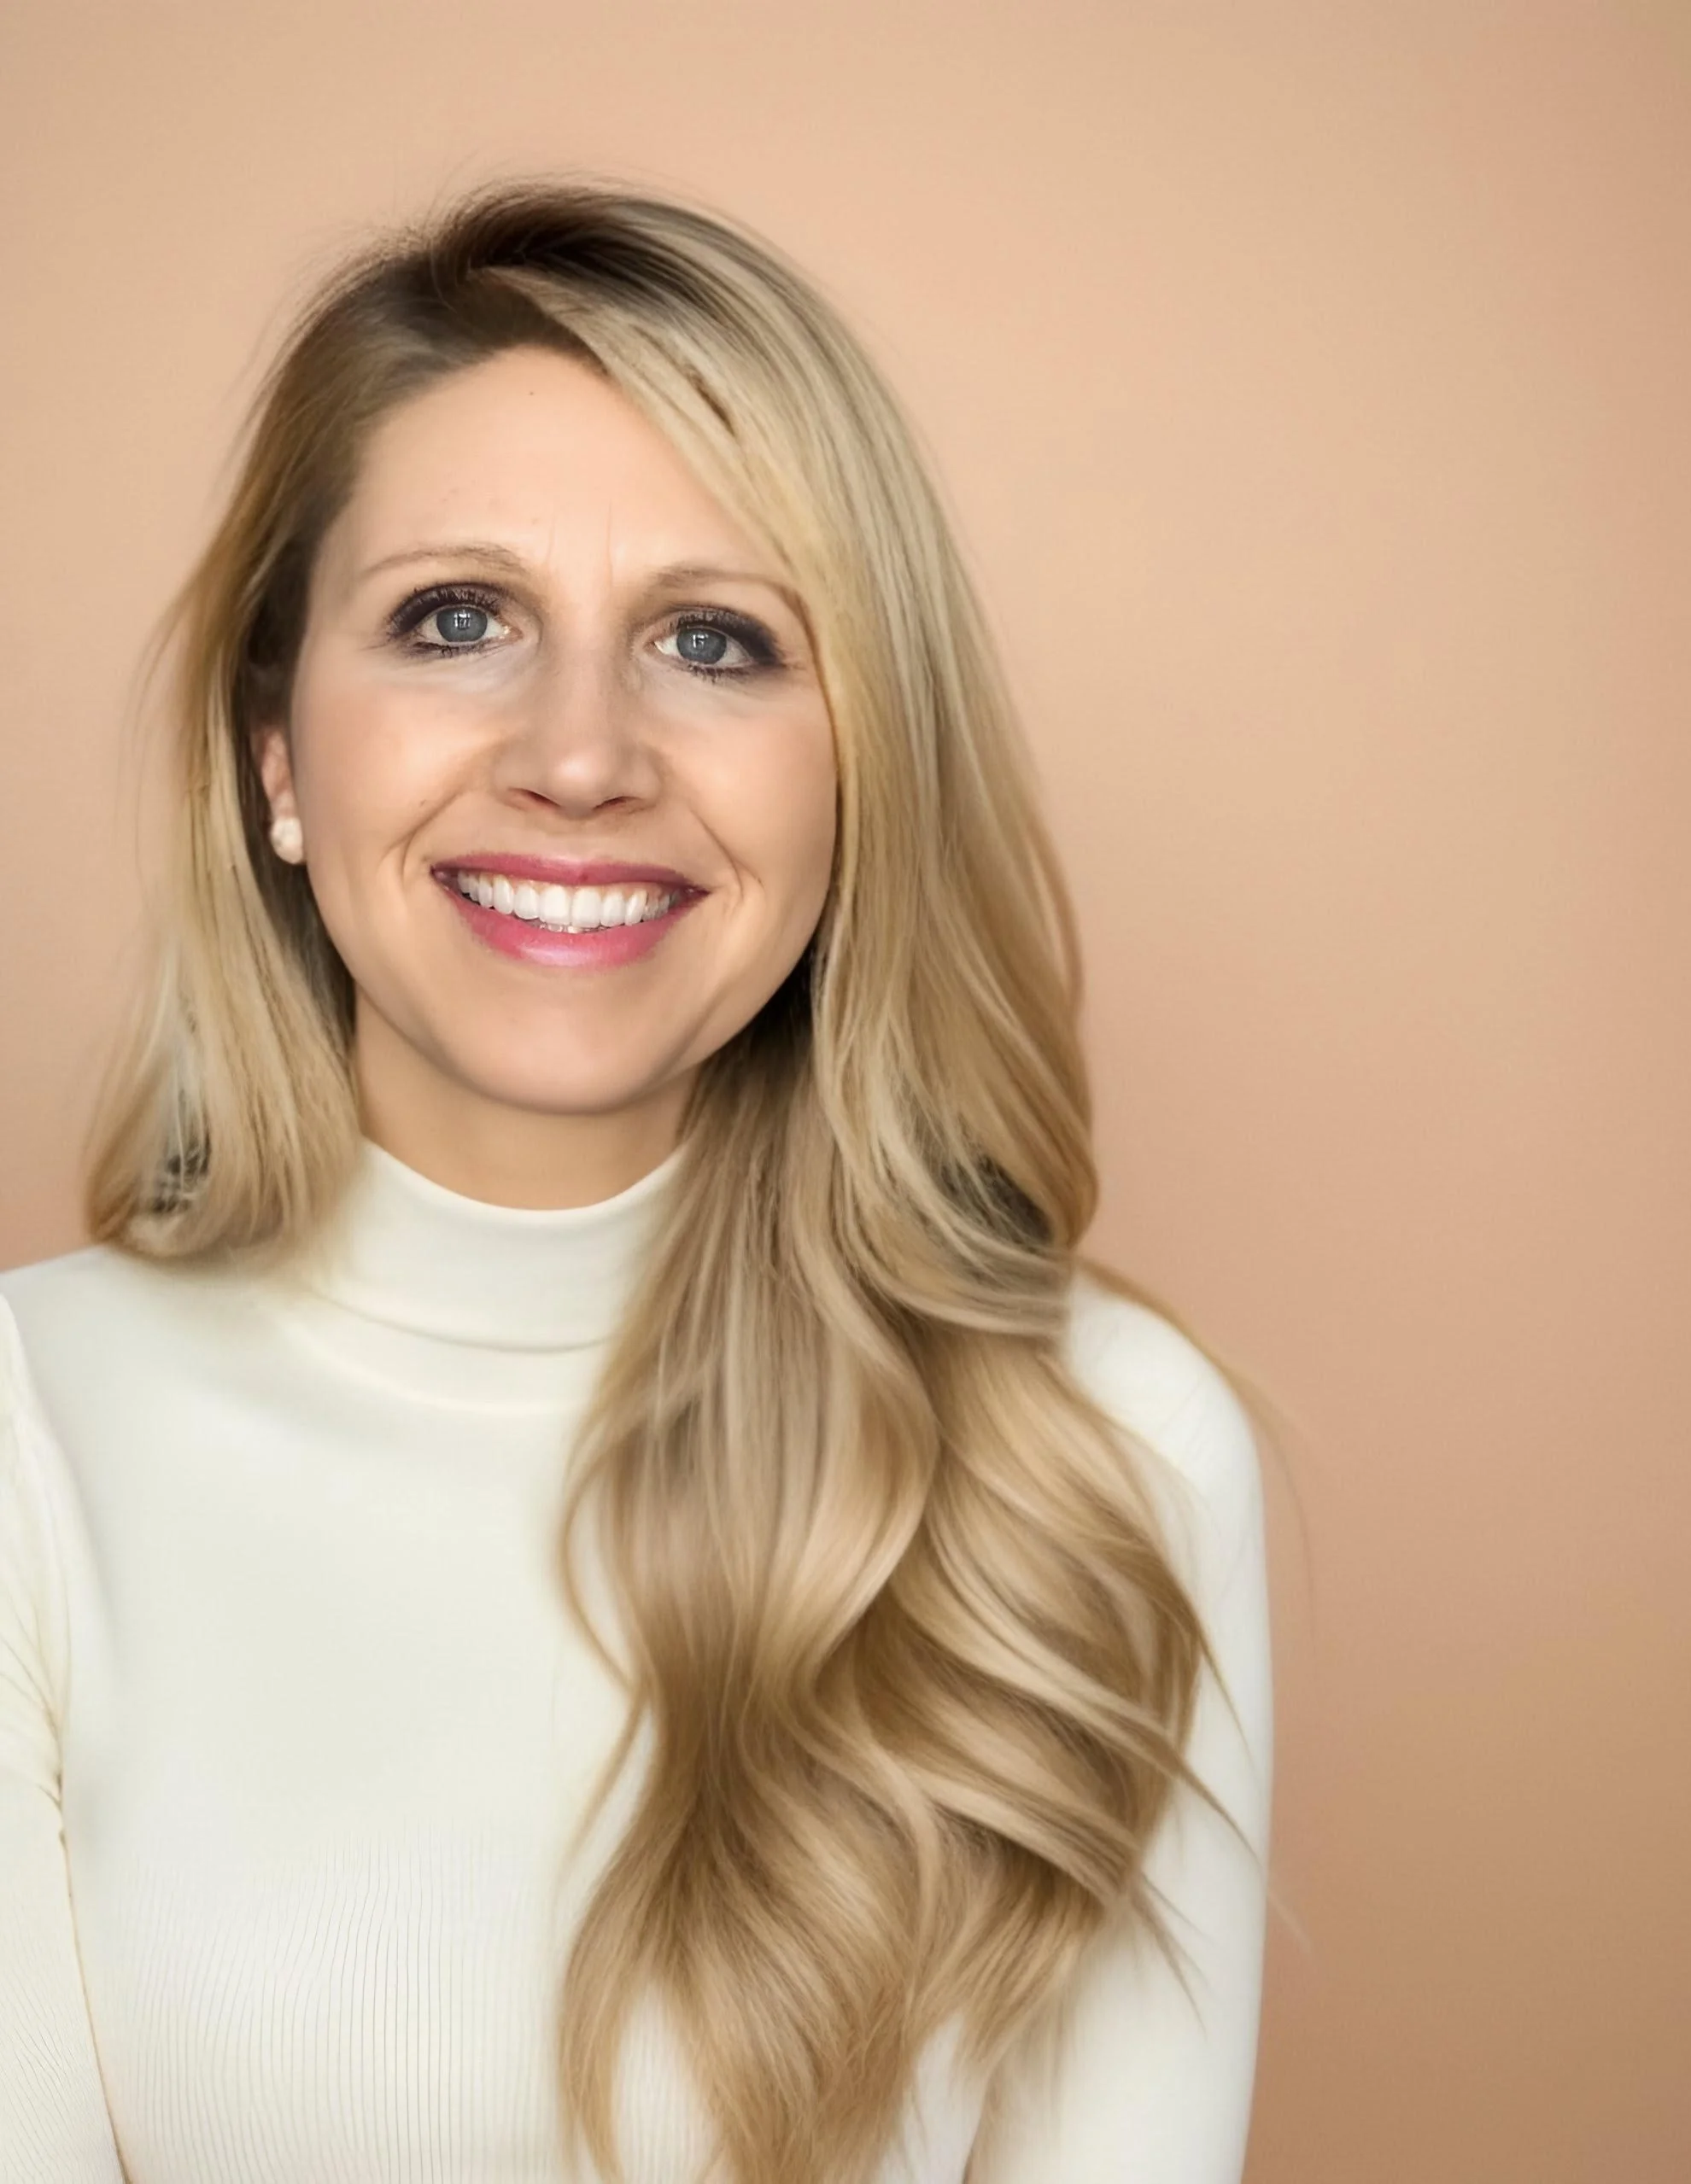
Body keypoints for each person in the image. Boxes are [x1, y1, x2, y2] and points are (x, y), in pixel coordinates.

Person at [0, 183, 1273, 2184]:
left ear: (858, 769)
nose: (580, 753)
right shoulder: (27, 1434)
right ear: (275, 756)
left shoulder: (1104, 1457)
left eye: (713, 638)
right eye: (454, 619)